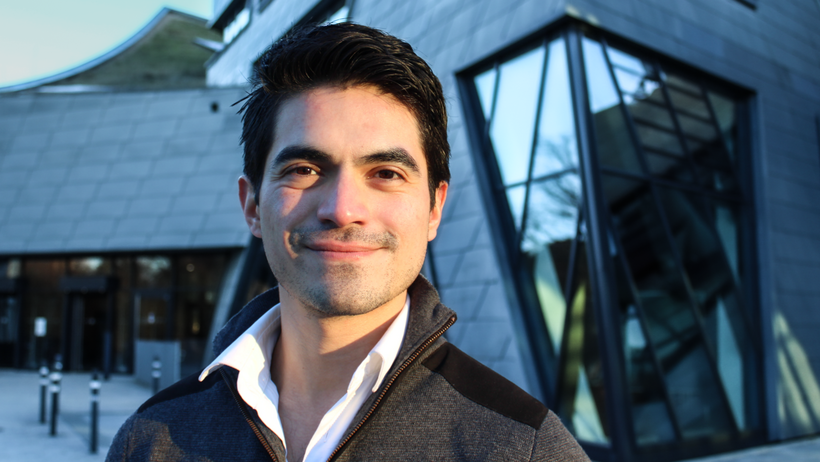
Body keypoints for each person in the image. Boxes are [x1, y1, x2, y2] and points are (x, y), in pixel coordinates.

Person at [107, 23, 589, 462]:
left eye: (385, 173)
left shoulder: (528, 449)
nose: (341, 208)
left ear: (434, 209)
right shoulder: (150, 440)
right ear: (252, 205)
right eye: (304, 170)